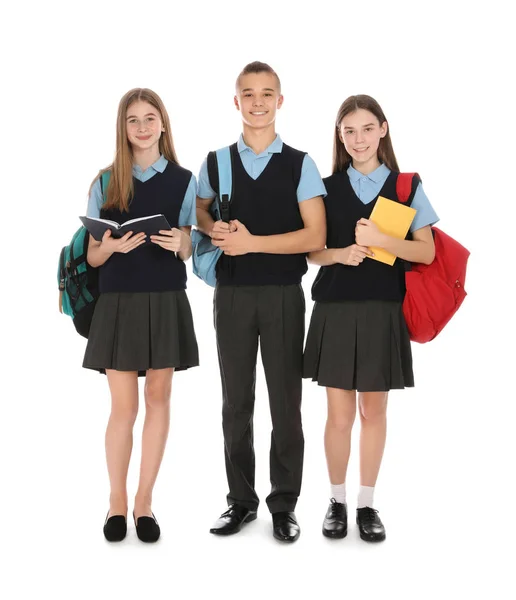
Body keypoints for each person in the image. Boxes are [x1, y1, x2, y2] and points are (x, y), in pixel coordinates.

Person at [196, 62, 326, 542]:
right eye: (247, 94)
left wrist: (253, 243)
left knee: (285, 403)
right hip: (231, 295)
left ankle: (284, 504)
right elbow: (200, 209)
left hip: (283, 296)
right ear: (236, 102)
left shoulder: (300, 163)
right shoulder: (216, 162)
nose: (256, 102)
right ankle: (241, 501)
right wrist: (215, 229)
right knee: (236, 402)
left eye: (266, 94)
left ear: (280, 101)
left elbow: (314, 235)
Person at [303, 94, 438, 542]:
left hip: (383, 310)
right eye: (348, 131)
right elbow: (312, 250)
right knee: (339, 415)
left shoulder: (405, 186)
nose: (358, 139)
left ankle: (366, 504)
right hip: (336, 310)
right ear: (340, 137)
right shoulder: (324, 186)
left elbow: (427, 250)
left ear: (383, 129)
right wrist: (341, 254)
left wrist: (383, 239)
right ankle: (337, 500)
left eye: (366, 128)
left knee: (373, 410)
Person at [83, 88, 199, 543]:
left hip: (166, 298)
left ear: (163, 124)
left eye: (150, 118)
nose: (143, 126)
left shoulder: (186, 180)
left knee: (158, 399)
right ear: (123, 128)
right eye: (133, 120)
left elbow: (193, 244)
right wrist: (108, 246)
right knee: (123, 407)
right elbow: (93, 256)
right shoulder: (105, 180)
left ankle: (144, 503)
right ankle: (116, 501)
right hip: (118, 302)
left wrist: (182, 243)